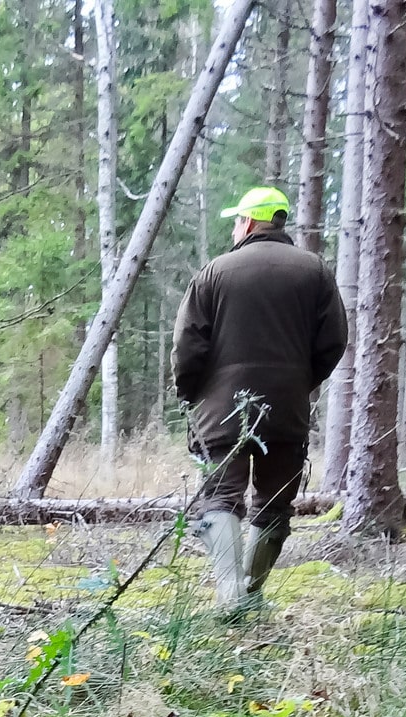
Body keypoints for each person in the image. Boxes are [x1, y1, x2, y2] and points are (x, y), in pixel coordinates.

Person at [172, 186, 348, 617]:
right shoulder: (316, 272)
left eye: (236, 221)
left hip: (220, 408)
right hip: (287, 407)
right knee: (274, 501)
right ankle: (251, 597)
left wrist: (190, 393)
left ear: (249, 223)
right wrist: (301, 382)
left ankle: (230, 596)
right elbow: (334, 341)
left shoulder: (215, 272)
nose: (234, 228)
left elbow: (187, 345)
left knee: (220, 497)